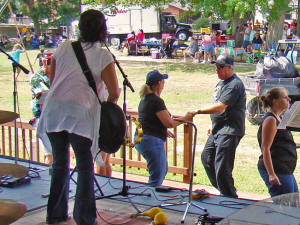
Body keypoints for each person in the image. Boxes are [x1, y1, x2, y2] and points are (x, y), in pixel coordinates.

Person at [37, 9, 120, 225]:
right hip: (81, 116)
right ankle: (84, 219)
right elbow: (115, 92)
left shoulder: (64, 47)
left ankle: (55, 215)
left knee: (60, 164)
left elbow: (54, 80)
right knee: (84, 167)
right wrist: (106, 109)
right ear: (103, 30)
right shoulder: (102, 55)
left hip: (54, 112)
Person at [190, 54, 246, 197]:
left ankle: (230, 197)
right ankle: (225, 191)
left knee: (222, 167)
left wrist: (197, 111)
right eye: (216, 66)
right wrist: (212, 122)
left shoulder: (234, 84)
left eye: (220, 67)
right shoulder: (221, 84)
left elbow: (221, 106)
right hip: (218, 128)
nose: (217, 70)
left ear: (229, 67)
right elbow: (217, 104)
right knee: (207, 158)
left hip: (230, 130)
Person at [135, 70, 193, 187]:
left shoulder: (145, 99)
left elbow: (149, 119)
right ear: (159, 83)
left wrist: (163, 130)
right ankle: (149, 201)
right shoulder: (156, 101)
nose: (164, 83)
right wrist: (186, 118)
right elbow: (169, 123)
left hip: (142, 138)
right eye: (162, 81)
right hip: (151, 141)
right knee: (157, 175)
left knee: (162, 169)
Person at [257, 87, 298, 197]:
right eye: (285, 97)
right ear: (275, 101)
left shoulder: (279, 118)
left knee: (293, 201)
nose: (289, 99)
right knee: (285, 205)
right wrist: (271, 174)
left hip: (285, 168)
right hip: (277, 169)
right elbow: (265, 148)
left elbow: (281, 143)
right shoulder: (271, 120)